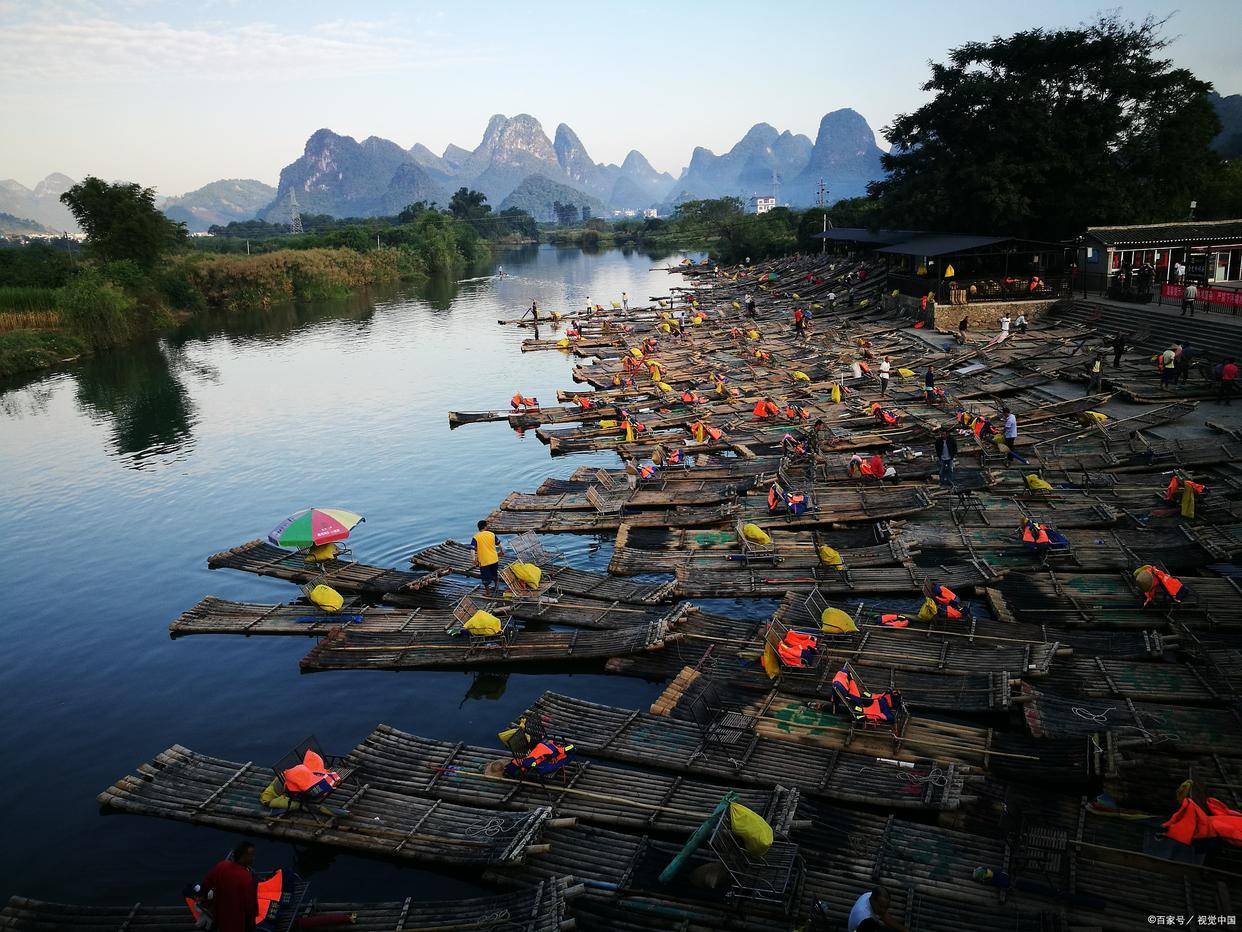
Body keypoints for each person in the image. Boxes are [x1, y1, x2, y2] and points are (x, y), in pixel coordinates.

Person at [200, 842, 259, 932]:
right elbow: (250, 907)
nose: (253, 858)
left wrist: (203, 898)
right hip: (238, 924)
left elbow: (206, 884)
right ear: (243, 856)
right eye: (251, 855)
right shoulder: (247, 878)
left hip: (219, 918)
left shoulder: (221, 866)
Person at [471, 519, 504, 594]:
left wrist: (473, 559)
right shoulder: (492, 534)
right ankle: (496, 587)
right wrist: (502, 552)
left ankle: (488, 593)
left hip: (484, 561)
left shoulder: (476, 537)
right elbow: (500, 545)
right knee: (494, 574)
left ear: (479, 527)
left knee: (485, 578)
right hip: (494, 559)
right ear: (485, 526)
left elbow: (472, 549)